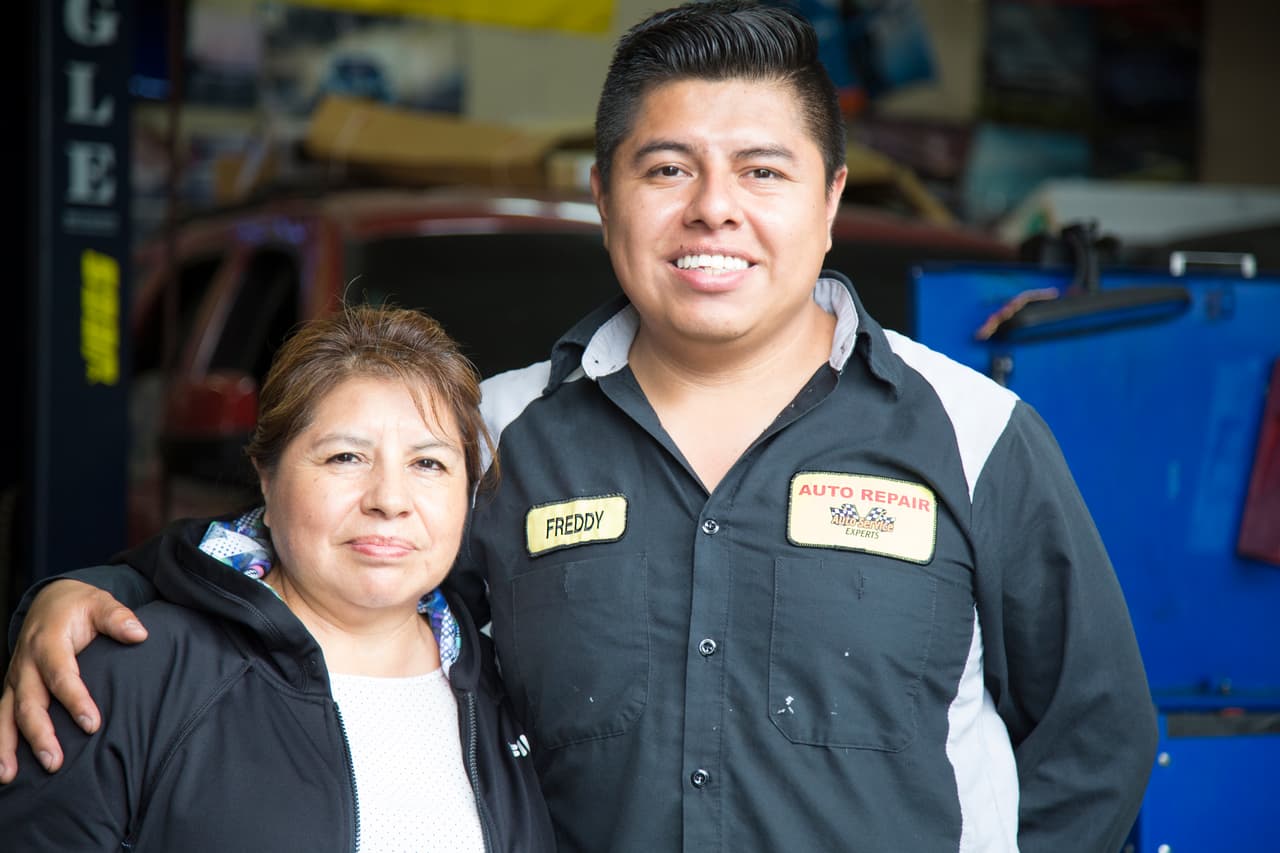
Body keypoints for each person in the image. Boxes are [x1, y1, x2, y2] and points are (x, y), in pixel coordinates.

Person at [3, 2, 1157, 851]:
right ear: (604, 195)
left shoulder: (973, 433)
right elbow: (295, 560)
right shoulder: (494, 433)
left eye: (762, 168)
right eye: (667, 167)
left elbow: (1092, 739)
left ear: (830, 201)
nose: (714, 207)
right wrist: (83, 595)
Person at [0, 305, 554, 851]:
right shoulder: (128, 674)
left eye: (428, 464)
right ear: (266, 479)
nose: (389, 499)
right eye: (345, 457)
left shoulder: (503, 689)